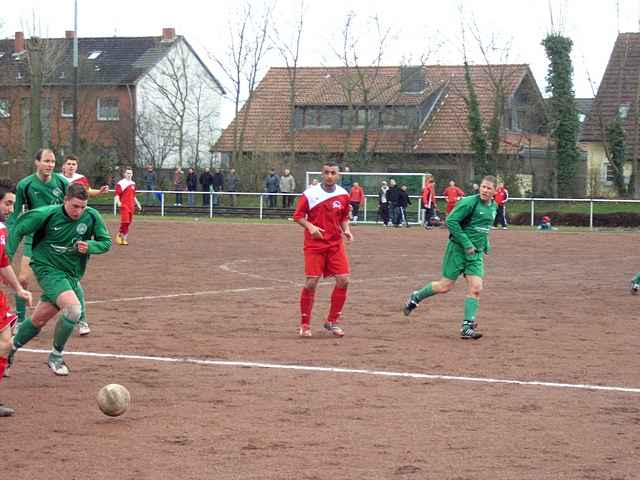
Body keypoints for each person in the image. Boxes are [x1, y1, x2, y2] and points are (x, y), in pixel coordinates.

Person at [7, 183, 112, 376]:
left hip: (70, 275)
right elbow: (18, 228)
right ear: (65, 201)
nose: (79, 211)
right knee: (73, 309)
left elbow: (106, 242)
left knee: (38, 320)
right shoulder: (46, 214)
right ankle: (56, 356)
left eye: (83, 207)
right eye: (74, 206)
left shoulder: (92, 216)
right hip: (46, 268)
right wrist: (5, 257)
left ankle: (7, 352)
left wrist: (90, 246)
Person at [403, 176, 498, 340]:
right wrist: (467, 243)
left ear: (494, 191)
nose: (485, 190)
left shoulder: (493, 206)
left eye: (489, 188)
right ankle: (416, 297)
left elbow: (482, 228)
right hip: (457, 250)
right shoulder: (469, 202)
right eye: (483, 187)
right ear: (479, 188)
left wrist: (485, 244)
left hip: (475, 254)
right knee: (444, 286)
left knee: (476, 288)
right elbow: (451, 221)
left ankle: (467, 326)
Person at [7, 149, 67, 327]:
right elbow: (14, 214)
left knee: (68, 276)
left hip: (57, 237)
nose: (50, 165)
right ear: (37, 162)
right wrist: (8, 230)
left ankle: (80, 317)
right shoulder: (25, 185)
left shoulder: (62, 183)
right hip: (34, 237)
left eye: (53, 162)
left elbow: (72, 206)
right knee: (23, 279)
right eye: (47, 161)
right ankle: (19, 319)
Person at [293, 160, 353, 338]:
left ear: (338, 175)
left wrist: (347, 230)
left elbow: (343, 218)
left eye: (333, 173)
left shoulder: (343, 195)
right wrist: (311, 227)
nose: (329, 176)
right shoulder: (310, 194)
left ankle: (332, 321)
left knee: (344, 280)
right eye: (326, 172)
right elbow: (297, 216)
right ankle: (305, 324)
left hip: (335, 244)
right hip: (315, 245)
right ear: (322, 173)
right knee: (311, 283)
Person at [60, 154, 109, 336]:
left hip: (74, 231)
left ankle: (80, 318)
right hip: (58, 226)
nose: (71, 166)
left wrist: (99, 192)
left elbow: (87, 193)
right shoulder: (57, 180)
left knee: (71, 281)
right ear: (63, 166)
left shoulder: (81, 181)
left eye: (74, 164)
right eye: (69, 164)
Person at [0, 179, 33, 416]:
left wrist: (19, 290)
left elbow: (2, 263)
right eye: (7, 204)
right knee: (4, 342)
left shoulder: (1, 229)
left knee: (5, 340)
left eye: (13, 204)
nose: (11, 209)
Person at [114, 167, 142, 246]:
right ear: (125, 174)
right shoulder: (121, 183)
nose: (129, 174)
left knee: (128, 223)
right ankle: (123, 238)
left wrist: (138, 203)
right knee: (125, 222)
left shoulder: (133, 183)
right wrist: (118, 202)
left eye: (130, 173)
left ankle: (121, 235)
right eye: (128, 173)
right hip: (124, 205)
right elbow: (116, 195)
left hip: (131, 206)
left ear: (132, 174)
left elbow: (133, 196)